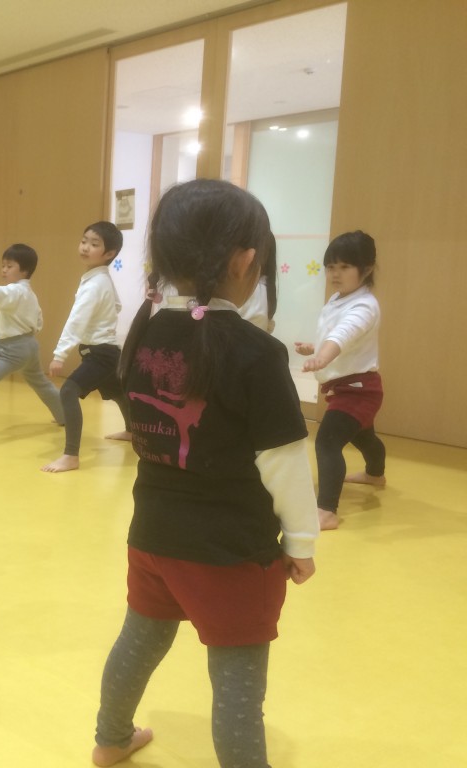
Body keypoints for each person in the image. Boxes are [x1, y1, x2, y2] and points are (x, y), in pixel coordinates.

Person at [91, 179, 318, 768]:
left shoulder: (143, 329)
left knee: (139, 641)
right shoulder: (256, 351)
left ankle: (110, 740)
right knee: (238, 680)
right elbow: (285, 460)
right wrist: (301, 541)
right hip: (230, 551)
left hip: (152, 535)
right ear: (245, 262)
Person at [295, 230, 385, 531]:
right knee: (364, 437)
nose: (335, 274)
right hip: (348, 387)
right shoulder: (339, 299)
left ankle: (327, 511)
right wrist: (315, 348)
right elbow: (335, 337)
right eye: (331, 267)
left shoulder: (365, 306)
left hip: (358, 391)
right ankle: (375, 475)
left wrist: (322, 357)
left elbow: (344, 335)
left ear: (366, 269)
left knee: (328, 441)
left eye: (345, 267)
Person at [42, 222, 130, 473]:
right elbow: (117, 305)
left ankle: (71, 455)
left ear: (109, 253)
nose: (85, 247)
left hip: (101, 354)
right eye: (84, 241)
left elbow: (76, 320)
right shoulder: (99, 279)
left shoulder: (95, 284)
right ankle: (133, 431)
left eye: (94, 244)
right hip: (106, 351)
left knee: (68, 391)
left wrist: (60, 354)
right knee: (117, 392)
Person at [0, 243, 64, 422]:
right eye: (3, 265)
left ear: (25, 271)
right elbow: (38, 320)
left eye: (9, 266)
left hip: (11, 350)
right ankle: (65, 415)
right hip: (30, 346)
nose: (4, 270)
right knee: (41, 383)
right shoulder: (29, 294)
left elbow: (0, 293)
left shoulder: (15, 291)